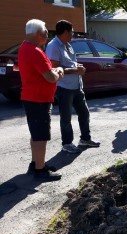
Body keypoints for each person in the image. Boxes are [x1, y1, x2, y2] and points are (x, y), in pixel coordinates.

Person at [45, 20, 100, 154]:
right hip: (64, 87)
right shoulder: (53, 46)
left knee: (84, 112)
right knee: (66, 117)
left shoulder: (68, 45)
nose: (73, 35)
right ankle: (67, 143)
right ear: (65, 32)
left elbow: (71, 63)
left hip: (76, 86)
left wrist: (78, 67)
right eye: (72, 33)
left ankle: (85, 139)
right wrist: (75, 70)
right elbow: (54, 68)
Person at [19, 19, 64, 181]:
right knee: (41, 136)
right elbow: (51, 77)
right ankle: (40, 170)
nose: (47, 34)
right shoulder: (35, 51)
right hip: (38, 99)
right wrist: (59, 71)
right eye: (46, 31)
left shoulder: (25, 48)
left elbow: (41, 71)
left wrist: (52, 70)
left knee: (36, 133)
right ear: (39, 34)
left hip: (32, 97)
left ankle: (36, 163)